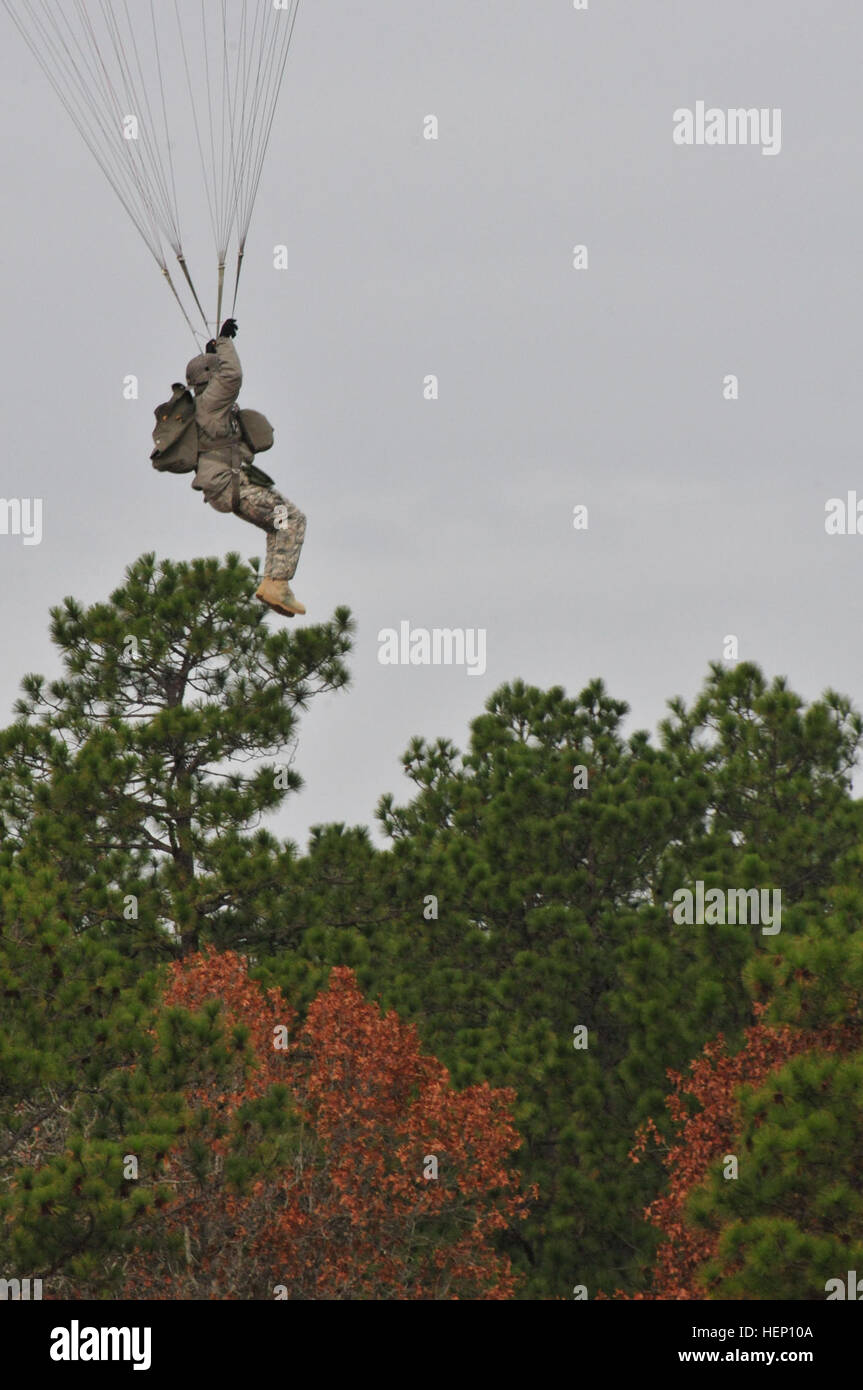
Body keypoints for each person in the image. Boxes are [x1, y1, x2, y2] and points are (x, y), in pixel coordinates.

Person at [186, 319, 306, 618]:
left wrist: (214, 352)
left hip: (226, 489)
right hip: (230, 486)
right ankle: (277, 584)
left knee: (277, 523)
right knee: (291, 518)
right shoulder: (212, 403)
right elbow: (233, 375)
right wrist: (225, 342)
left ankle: (274, 583)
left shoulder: (205, 405)